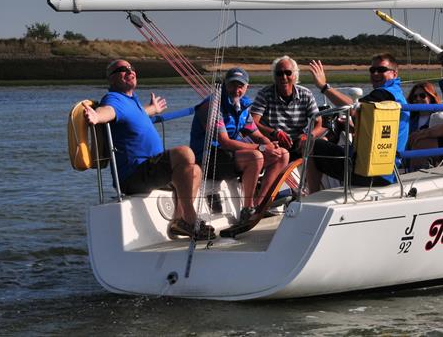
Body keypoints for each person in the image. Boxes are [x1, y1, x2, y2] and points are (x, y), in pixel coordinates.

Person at [83, 59, 213, 241]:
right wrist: (96, 116)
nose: (129, 71)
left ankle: (179, 221)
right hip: (134, 174)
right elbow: (109, 111)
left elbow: (136, 114)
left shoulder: (131, 100)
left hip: (150, 171)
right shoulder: (113, 98)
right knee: (184, 153)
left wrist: (152, 109)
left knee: (195, 171)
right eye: (122, 69)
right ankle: (191, 221)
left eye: (131, 68)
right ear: (111, 80)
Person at [190, 67, 289, 223]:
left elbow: (256, 134)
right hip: (208, 159)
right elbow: (225, 141)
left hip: (227, 155)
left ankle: (259, 205)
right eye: (232, 85)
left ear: (246, 87)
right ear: (224, 85)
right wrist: (261, 148)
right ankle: (247, 210)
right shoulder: (212, 106)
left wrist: (269, 144)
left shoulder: (242, 106)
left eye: (240, 86)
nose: (236, 90)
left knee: (283, 154)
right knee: (255, 157)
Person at [305, 54, 410, 193]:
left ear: (394, 73)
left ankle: (312, 195)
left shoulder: (385, 94)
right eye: (372, 70)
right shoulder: (396, 95)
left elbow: (353, 108)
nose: (376, 73)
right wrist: (349, 127)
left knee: (313, 145)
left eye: (381, 69)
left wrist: (324, 87)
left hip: (369, 171)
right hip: (388, 170)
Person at [250, 56, 324, 158]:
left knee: (321, 143)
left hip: (299, 143)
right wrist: (274, 133)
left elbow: (319, 123)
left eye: (288, 73)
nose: (283, 77)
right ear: (275, 76)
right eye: (279, 73)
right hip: (274, 144)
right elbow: (253, 121)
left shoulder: (306, 94)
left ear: (295, 75)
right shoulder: (264, 94)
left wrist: (308, 136)